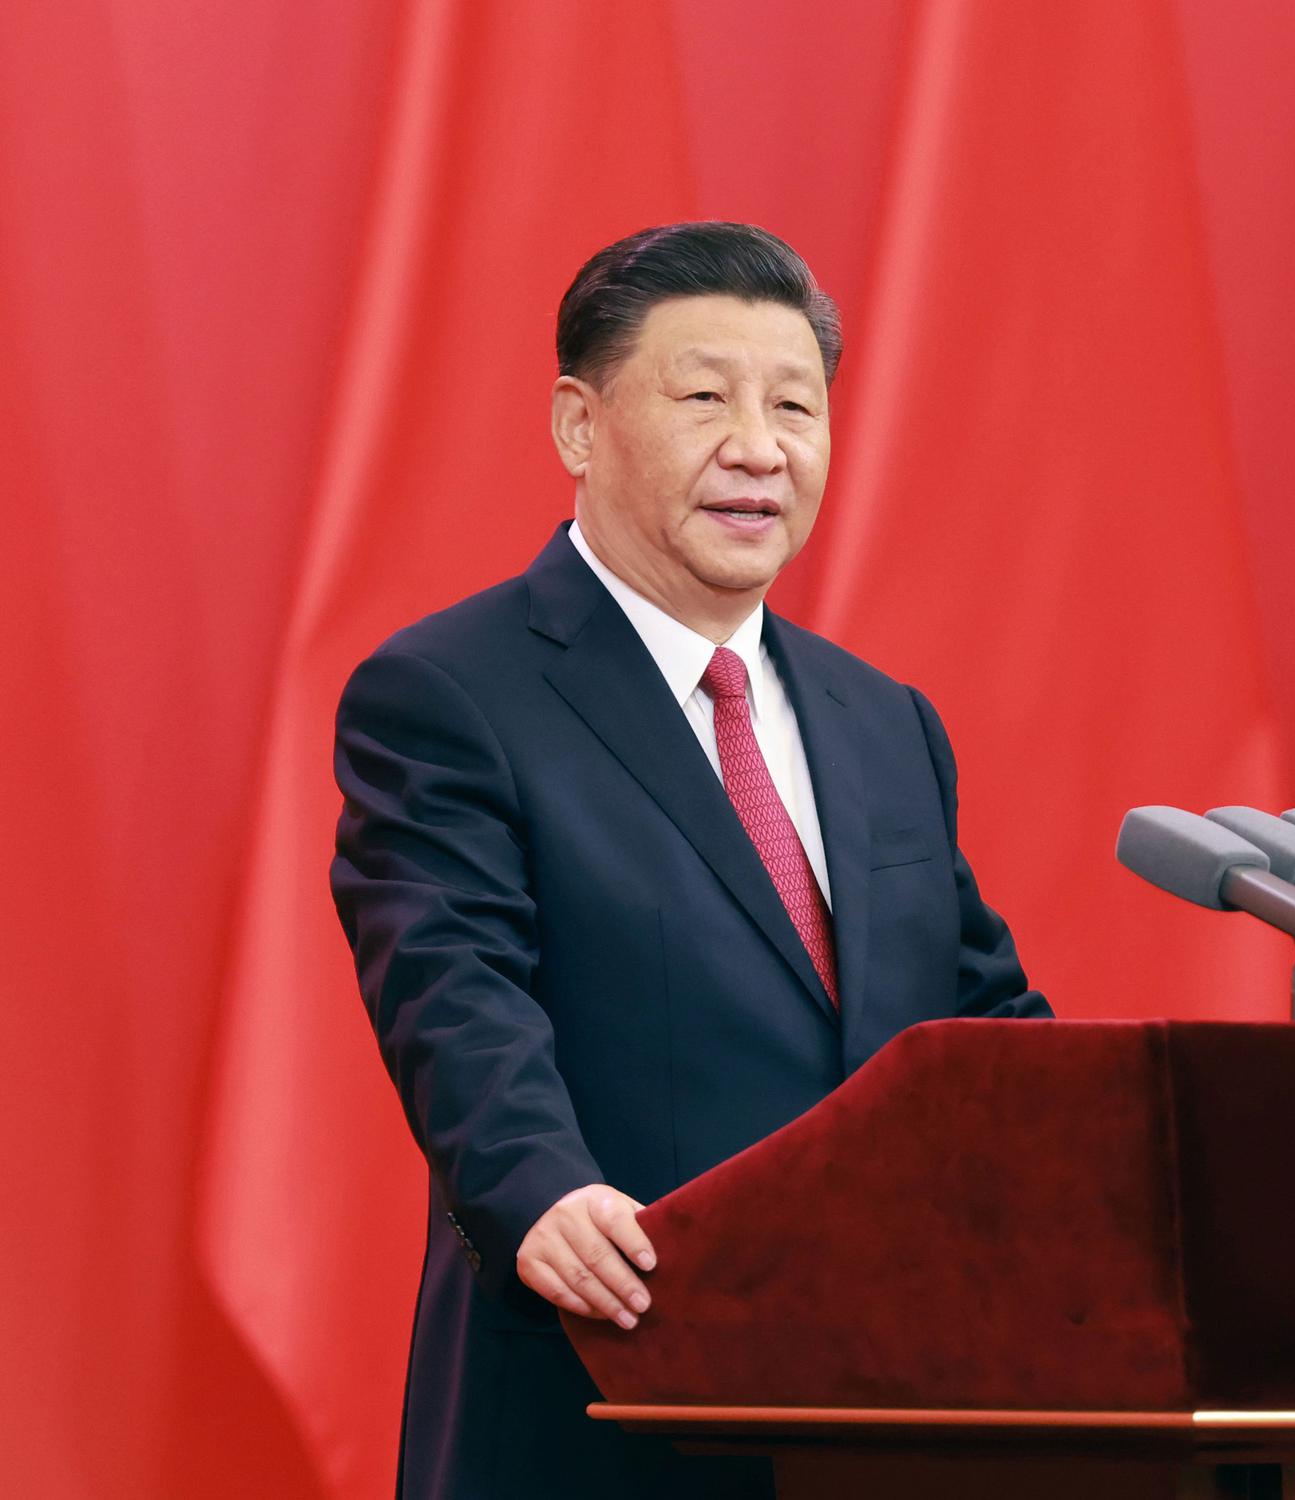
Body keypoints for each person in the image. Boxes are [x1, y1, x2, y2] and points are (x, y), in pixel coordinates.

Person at [330, 222, 1050, 1499]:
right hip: (605, 1379)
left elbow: (985, 1023)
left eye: (795, 406)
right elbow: (453, 985)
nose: (760, 449)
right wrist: (540, 1191)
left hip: (885, 1410)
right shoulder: (452, 693)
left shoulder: (884, 721)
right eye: (706, 398)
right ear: (578, 426)